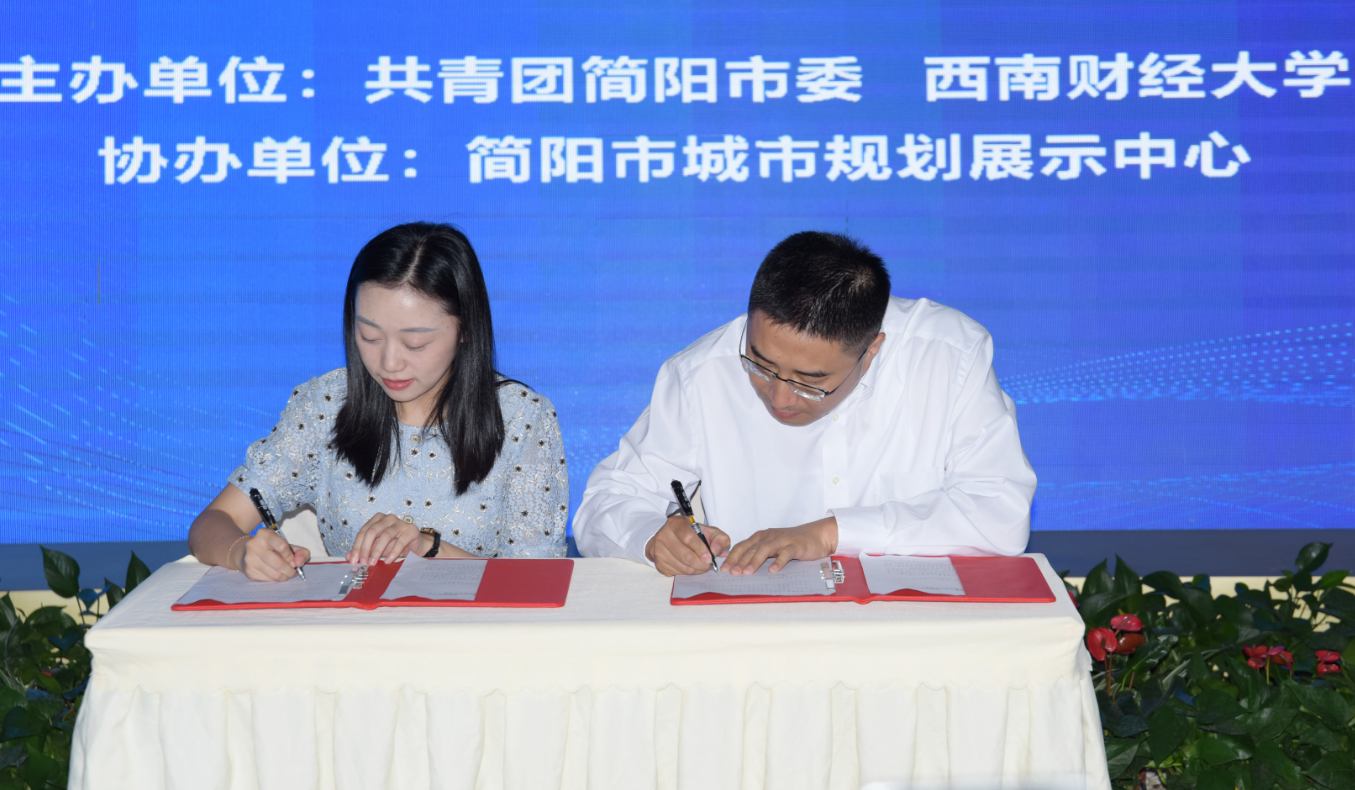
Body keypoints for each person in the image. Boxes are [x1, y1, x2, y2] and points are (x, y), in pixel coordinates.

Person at [573, 231, 1036, 577]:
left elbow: (999, 514)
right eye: (759, 364)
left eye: (811, 383)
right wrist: (652, 538)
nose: (779, 397)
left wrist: (831, 534)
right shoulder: (700, 373)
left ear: (871, 351)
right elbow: (604, 503)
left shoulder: (950, 357)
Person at [188, 223, 568, 580]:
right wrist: (241, 552)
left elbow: (535, 581)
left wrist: (428, 547)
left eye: (415, 343)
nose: (389, 362)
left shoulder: (522, 418)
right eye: (369, 336)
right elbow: (212, 523)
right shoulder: (326, 404)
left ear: (466, 328)